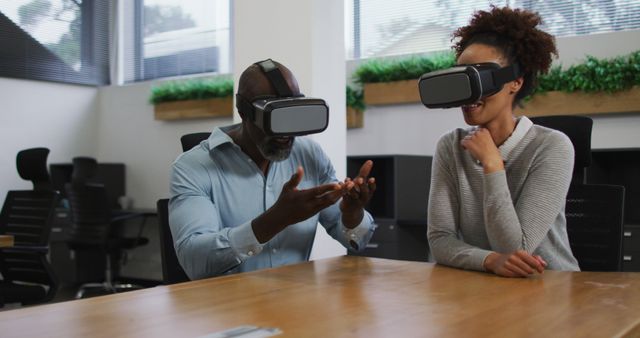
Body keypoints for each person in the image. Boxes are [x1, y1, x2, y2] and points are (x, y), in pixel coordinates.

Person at [169, 59, 377, 280]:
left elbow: (356, 241)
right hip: (229, 307)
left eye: (292, 118)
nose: (285, 134)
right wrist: (275, 220)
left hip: (297, 301)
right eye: (275, 120)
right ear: (244, 111)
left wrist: (352, 214)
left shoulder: (309, 155)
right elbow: (195, 261)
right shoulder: (194, 167)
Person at [427, 6, 580, 277]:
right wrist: (488, 260)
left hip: (550, 288)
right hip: (482, 287)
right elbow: (439, 240)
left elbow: (516, 248)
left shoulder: (553, 147)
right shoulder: (449, 147)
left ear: (515, 83)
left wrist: (492, 164)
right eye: (463, 75)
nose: (469, 90)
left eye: (480, 76)